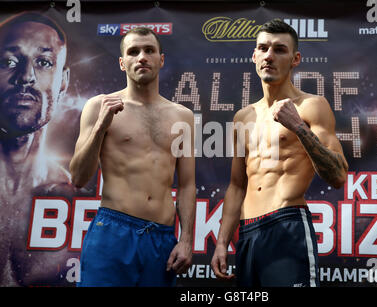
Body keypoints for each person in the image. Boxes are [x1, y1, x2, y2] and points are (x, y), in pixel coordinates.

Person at [211, 19, 348, 287]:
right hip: (248, 233)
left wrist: (298, 127)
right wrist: (222, 242)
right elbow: (237, 185)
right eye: (263, 48)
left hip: (287, 225)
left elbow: (339, 175)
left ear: (295, 58)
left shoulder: (312, 106)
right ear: (254, 56)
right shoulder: (243, 117)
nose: (269, 56)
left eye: (279, 49)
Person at [70, 27, 195, 286]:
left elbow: (186, 184)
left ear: (161, 60)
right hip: (113, 232)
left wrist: (186, 240)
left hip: (161, 239)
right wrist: (101, 127)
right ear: (122, 62)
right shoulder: (99, 106)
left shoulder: (182, 116)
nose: (141, 57)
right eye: (133, 52)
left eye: (149, 50)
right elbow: (79, 177)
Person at [0, 12, 75, 286]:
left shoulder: (75, 195)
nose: (26, 77)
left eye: (43, 62)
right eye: (9, 61)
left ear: (63, 81)